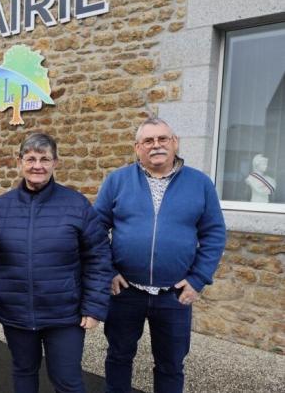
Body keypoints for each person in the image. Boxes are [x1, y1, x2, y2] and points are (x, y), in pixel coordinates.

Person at [94, 117, 226, 393]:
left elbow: (214, 234)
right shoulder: (117, 181)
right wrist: (108, 271)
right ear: (137, 148)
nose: (156, 145)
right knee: (118, 356)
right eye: (148, 141)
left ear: (174, 143)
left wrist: (198, 278)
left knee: (170, 364)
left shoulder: (200, 183)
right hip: (125, 291)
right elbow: (95, 230)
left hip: (174, 294)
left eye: (162, 139)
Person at [0, 133, 112, 393]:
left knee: (67, 380)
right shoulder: (1, 207)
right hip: (15, 312)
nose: (37, 165)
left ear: (55, 163)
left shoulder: (76, 205)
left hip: (64, 315)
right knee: (24, 373)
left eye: (44, 159)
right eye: (30, 158)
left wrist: (94, 307)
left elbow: (98, 256)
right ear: (19, 162)